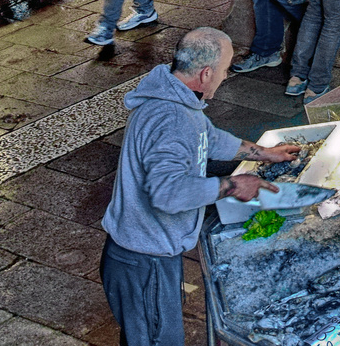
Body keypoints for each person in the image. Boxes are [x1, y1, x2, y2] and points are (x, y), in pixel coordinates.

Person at [101, 27, 300, 346]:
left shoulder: (174, 95)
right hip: (143, 260)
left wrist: (264, 153)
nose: (224, 78)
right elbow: (169, 193)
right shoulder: (172, 119)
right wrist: (233, 185)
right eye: (223, 71)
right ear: (206, 73)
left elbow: (207, 138)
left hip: (142, 255)